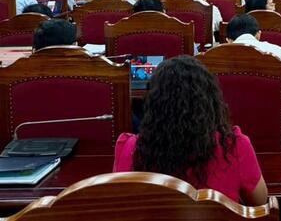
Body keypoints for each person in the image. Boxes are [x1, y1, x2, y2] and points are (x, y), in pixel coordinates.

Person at [113, 56, 267, 206]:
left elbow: (118, 206)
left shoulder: (130, 149)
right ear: (210, 102)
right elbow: (260, 202)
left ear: (153, 105)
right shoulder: (234, 147)